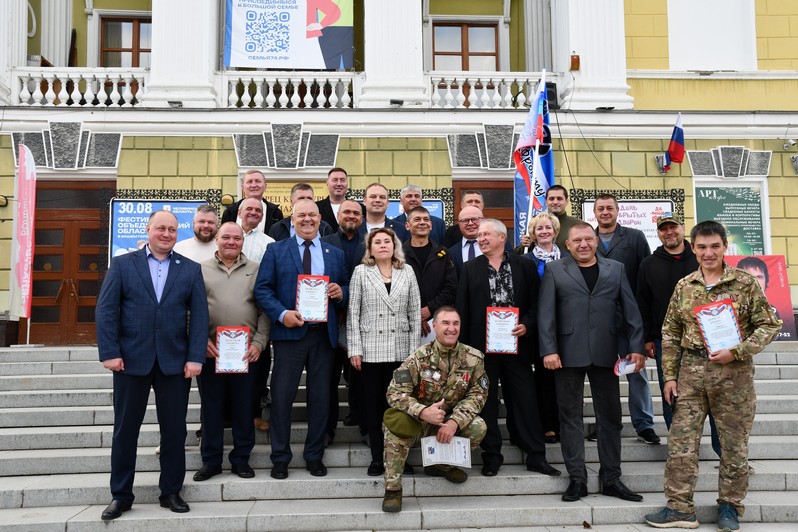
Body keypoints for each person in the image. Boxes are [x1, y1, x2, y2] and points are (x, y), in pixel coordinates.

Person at [644, 221, 780, 531]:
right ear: (693, 248)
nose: (708, 253)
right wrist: (669, 377)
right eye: (702, 247)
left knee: (733, 445)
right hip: (691, 372)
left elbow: (770, 324)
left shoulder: (744, 283)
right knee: (681, 443)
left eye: (715, 246)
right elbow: (670, 331)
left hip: (733, 374)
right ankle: (679, 508)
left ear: (724, 247)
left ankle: (730, 507)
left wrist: (738, 351)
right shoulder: (685, 286)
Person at [96, 210, 209, 520]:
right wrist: (109, 351)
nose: (166, 234)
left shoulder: (190, 269)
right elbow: (106, 310)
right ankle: (121, 495)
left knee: (174, 431)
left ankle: (171, 491)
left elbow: (200, 316)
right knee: (125, 431)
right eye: (161, 228)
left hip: (175, 363)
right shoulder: (122, 264)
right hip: (130, 361)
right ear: (148, 230)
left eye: (172, 229)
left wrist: (195, 357)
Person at [538, 221, 646, 503]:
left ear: (597, 241)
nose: (583, 244)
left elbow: (631, 310)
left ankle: (611, 478)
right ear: (568, 245)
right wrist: (549, 350)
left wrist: (636, 347)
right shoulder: (554, 269)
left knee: (610, 417)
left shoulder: (616, 269)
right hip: (566, 354)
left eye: (588, 239)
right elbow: (546, 313)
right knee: (569, 417)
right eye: (577, 241)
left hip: (606, 351)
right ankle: (577, 478)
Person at [456, 218, 559, 477]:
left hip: (517, 347)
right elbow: (462, 310)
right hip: (482, 350)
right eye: (479, 235)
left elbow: (537, 304)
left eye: (486, 234)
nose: (481, 239)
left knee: (525, 401)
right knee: (487, 403)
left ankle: (535, 455)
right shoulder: (469, 269)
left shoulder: (524, 266)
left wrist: (527, 325)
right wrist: (465, 351)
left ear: (502, 237)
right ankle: (492, 456)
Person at [254, 199, 349, 479]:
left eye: (312, 215)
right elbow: (262, 290)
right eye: (301, 215)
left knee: (321, 398)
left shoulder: (335, 253)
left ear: (320, 219)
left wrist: (341, 292)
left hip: (323, 336)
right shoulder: (276, 250)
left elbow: (346, 284)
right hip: (289, 335)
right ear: (292, 219)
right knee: (282, 398)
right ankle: (280, 457)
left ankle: (314, 455)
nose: (307, 220)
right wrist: (282, 314)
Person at [381, 306, 489, 513]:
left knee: (478, 426)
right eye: (445, 323)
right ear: (435, 326)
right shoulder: (418, 358)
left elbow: (478, 395)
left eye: (455, 323)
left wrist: (454, 421)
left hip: (447, 423)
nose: (451, 328)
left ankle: (440, 465)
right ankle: (393, 489)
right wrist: (422, 411)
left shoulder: (474, 358)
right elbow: (394, 393)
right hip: (419, 422)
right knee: (394, 426)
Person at [636, 213, 721, 458]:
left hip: (708, 338)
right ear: (658, 233)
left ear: (683, 229)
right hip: (667, 340)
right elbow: (643, 303)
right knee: (671, 393)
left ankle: (723, 451)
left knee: (717, 395)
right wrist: (647, 338)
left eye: (673, 227)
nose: (669, 232)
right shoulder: (649, 264)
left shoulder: (701, 259)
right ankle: (680, 451)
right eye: (664, 229)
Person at [193, 222, 271, 482]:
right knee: (211, 408)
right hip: (211, 352)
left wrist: (259, 343)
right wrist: (200, 341)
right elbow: (191, 308)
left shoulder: (256, 269)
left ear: (242, 242)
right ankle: (211, 461)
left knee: (244, 407)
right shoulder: (200, 270)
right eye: (226, 237)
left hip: (246, 353)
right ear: (217, 239)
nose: (231, 242)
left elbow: (264, 309)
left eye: (236, 238)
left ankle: (241, 460)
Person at [347, 228, 421, 476]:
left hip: (400, 351)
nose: (382, 245)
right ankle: (377, 458)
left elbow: (414, 313)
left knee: (399, 408)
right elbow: (353, 314)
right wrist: (355, 349)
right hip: (371, 351)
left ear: (394, 246)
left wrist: (413, 353)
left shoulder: (406, 271)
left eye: (387, 241)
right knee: (374, 406)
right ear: (370, 248)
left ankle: (400, 458)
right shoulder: (361, 272)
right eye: (377, 242)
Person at [593, 193, 659, 445]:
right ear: (595, 213)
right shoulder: (588, 239)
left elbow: (646, 275)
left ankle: (644, 424)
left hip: (630, 318)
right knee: (602, 376)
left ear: (617, 211)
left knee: (636, 372)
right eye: (601, 208)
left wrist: (646, 323)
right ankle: (606, 424)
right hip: (599, 320)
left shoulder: (634, 237)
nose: (605, 212)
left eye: (609, 208)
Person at [322, 198, 366, 437]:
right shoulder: (324, 243)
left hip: (363, 320)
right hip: (331, 318)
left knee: (360, 376)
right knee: (328, 377)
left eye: (356, 213)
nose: (351, 216)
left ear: (362, 218)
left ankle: (361, 419)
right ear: (338, 216)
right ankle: (328, 428)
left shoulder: (370, 242)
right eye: (346, 212)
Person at [521, 212, 563, 445]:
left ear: (555, 231)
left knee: (564, 377)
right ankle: (547, 425)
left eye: (548, 228)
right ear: (533, 233)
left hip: (564, 325)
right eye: (539, 228)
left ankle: (564, 422)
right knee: (543, 377)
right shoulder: (526, 260)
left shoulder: (567, 257)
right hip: (537, 327)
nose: (544, 231)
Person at [402, 206, 458, 337]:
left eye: (426, 219)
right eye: (417, 219)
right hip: (404, 323)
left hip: (437, 321)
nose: (422, 222)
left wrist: (430, 309)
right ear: (407, 226)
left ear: (431, 225)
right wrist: (415, 314)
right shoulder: (398, 254)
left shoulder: (443, 253)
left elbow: (451, 287)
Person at [221, 169, 283, 234]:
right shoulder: (230, 212)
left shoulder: (275, 213)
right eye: (249, 182)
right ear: (242, 187)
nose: (253, 185)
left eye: (258, 181)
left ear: (265, 186)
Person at [316, 167, 362, 231]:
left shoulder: (360, 208)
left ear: (347, 184)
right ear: (327, 183)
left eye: (342, 180)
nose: (339, 184)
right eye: (335, 180)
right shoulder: (317, 208)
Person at [447, 205, 484, 275]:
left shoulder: (496, 247)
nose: (470, 223)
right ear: (459, 225)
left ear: (483, 220)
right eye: (465, 220)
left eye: (474, 219)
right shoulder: (451, 253)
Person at [239, 197, 276, 265]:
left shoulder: (269, 243)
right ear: (239, 213)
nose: (253, 212)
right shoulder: (227, 238)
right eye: (249, 209)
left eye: (258, 210)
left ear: (262, 217)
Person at [545, 185, 580, 250]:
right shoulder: (536, 225)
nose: (555, 202)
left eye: (559, 199)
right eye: (551, 199)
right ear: (546, 202)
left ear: (567, 201)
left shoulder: (578, 225)